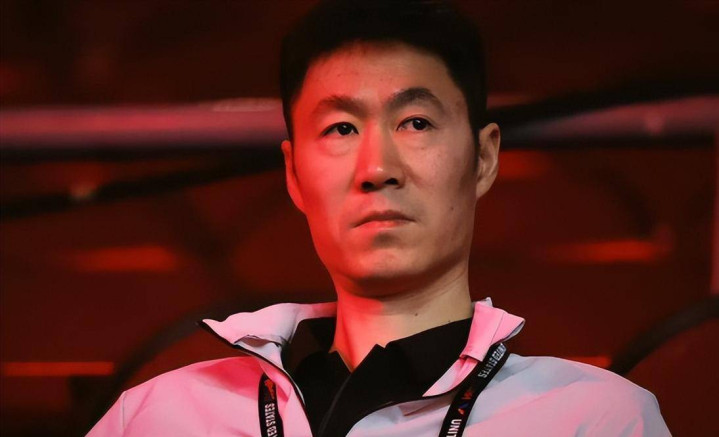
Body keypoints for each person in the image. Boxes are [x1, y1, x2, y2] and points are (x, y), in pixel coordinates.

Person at [89, 1, 670, 435]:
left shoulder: (595, 420)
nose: (377, 168)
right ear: (294, 175)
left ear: (484, 159)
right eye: (341, 128)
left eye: (415, 122)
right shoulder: (156, 417)